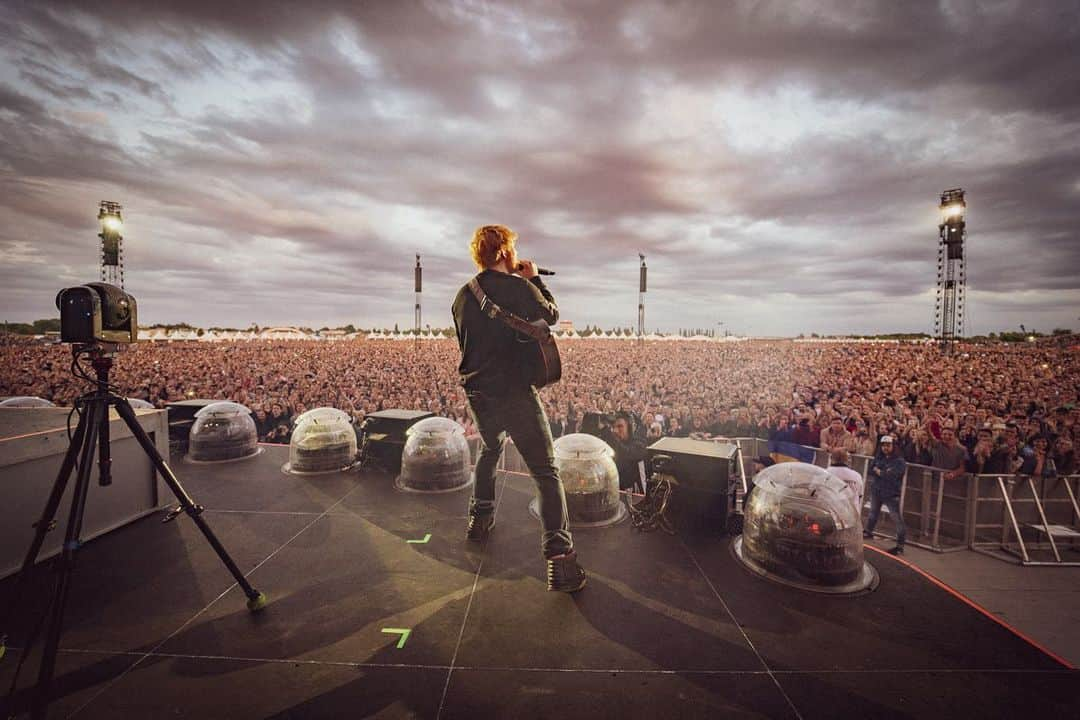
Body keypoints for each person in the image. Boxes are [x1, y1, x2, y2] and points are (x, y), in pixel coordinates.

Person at [451, 224, 585, 592]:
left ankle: (478, 521)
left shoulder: (462, 296)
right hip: (513, 393)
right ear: (507, 252)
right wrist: (536, 279)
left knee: (490, 450)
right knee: (545, 470)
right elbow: (552, 315)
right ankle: (559, 558)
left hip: (477, 393)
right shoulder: (521, 287)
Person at [864, 435, 907, 555]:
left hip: (891, 494)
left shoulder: (899, 461)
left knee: (897, 519)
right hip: (877, 490)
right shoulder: (879, 457)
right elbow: (870, 470)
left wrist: (879, 471)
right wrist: (881, 471)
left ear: (893, 446)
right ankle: (868, 531)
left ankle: (900, 545)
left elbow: (890, 475)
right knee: (873, 513)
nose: (885, 447)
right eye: (883, 445)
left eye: (888, 445)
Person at [607, 414, 647, 491]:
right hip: (616, 488)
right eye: (613, 427)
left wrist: (610, 437)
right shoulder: (614, 443)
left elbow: (627, 453)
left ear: (629, 428)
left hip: (634, 493)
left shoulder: (639, 443)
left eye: (620, 426)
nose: (615, 430)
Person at [826, 448, 864, 515]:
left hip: (830, 513)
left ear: (831, 458)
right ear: (848, 460)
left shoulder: (823, 474)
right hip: (850, 516)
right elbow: (859, 496)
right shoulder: (857, 476)